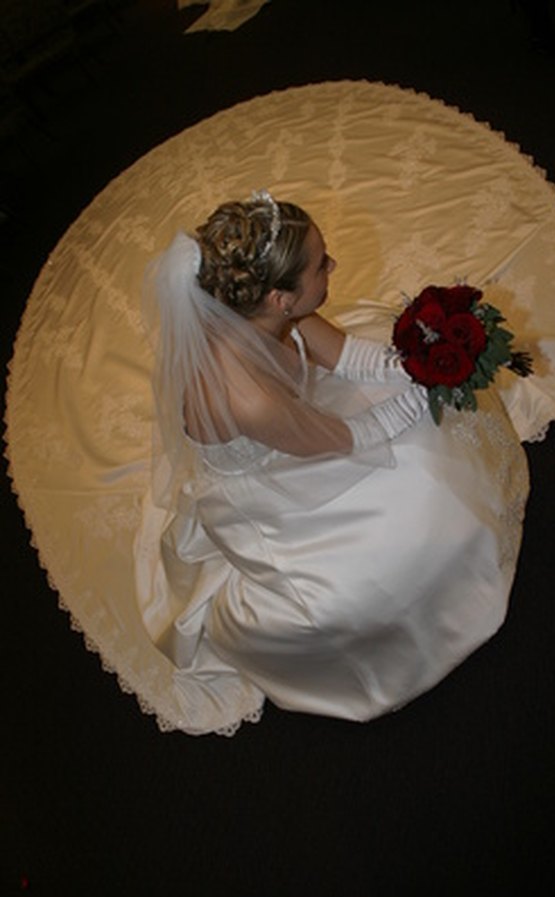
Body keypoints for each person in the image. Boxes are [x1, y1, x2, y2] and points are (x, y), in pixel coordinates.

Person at [134, 190, 530, 736]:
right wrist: (425, 391)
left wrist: (416, 360)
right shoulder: (244, 395)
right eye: (322, 265)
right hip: (275, 480)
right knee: (413, 494)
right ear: (279, 298)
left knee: (433, 452)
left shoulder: (267, 314)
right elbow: (347, 437)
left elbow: (347, 356)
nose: (333, 268)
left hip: (307, 433)